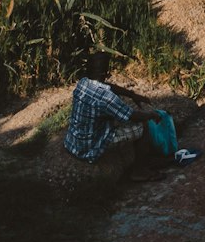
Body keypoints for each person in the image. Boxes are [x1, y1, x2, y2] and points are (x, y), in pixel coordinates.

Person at [64, 51, 197, 170]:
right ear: (105, 72)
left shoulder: (83, 83)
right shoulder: (107, 98)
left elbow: (107, 86)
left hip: (73, 142)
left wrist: (132, 95)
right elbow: (131, 115)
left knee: (114, 119)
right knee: (143, 126)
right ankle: (140, 171)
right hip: (90, 147)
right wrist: (151, 115)